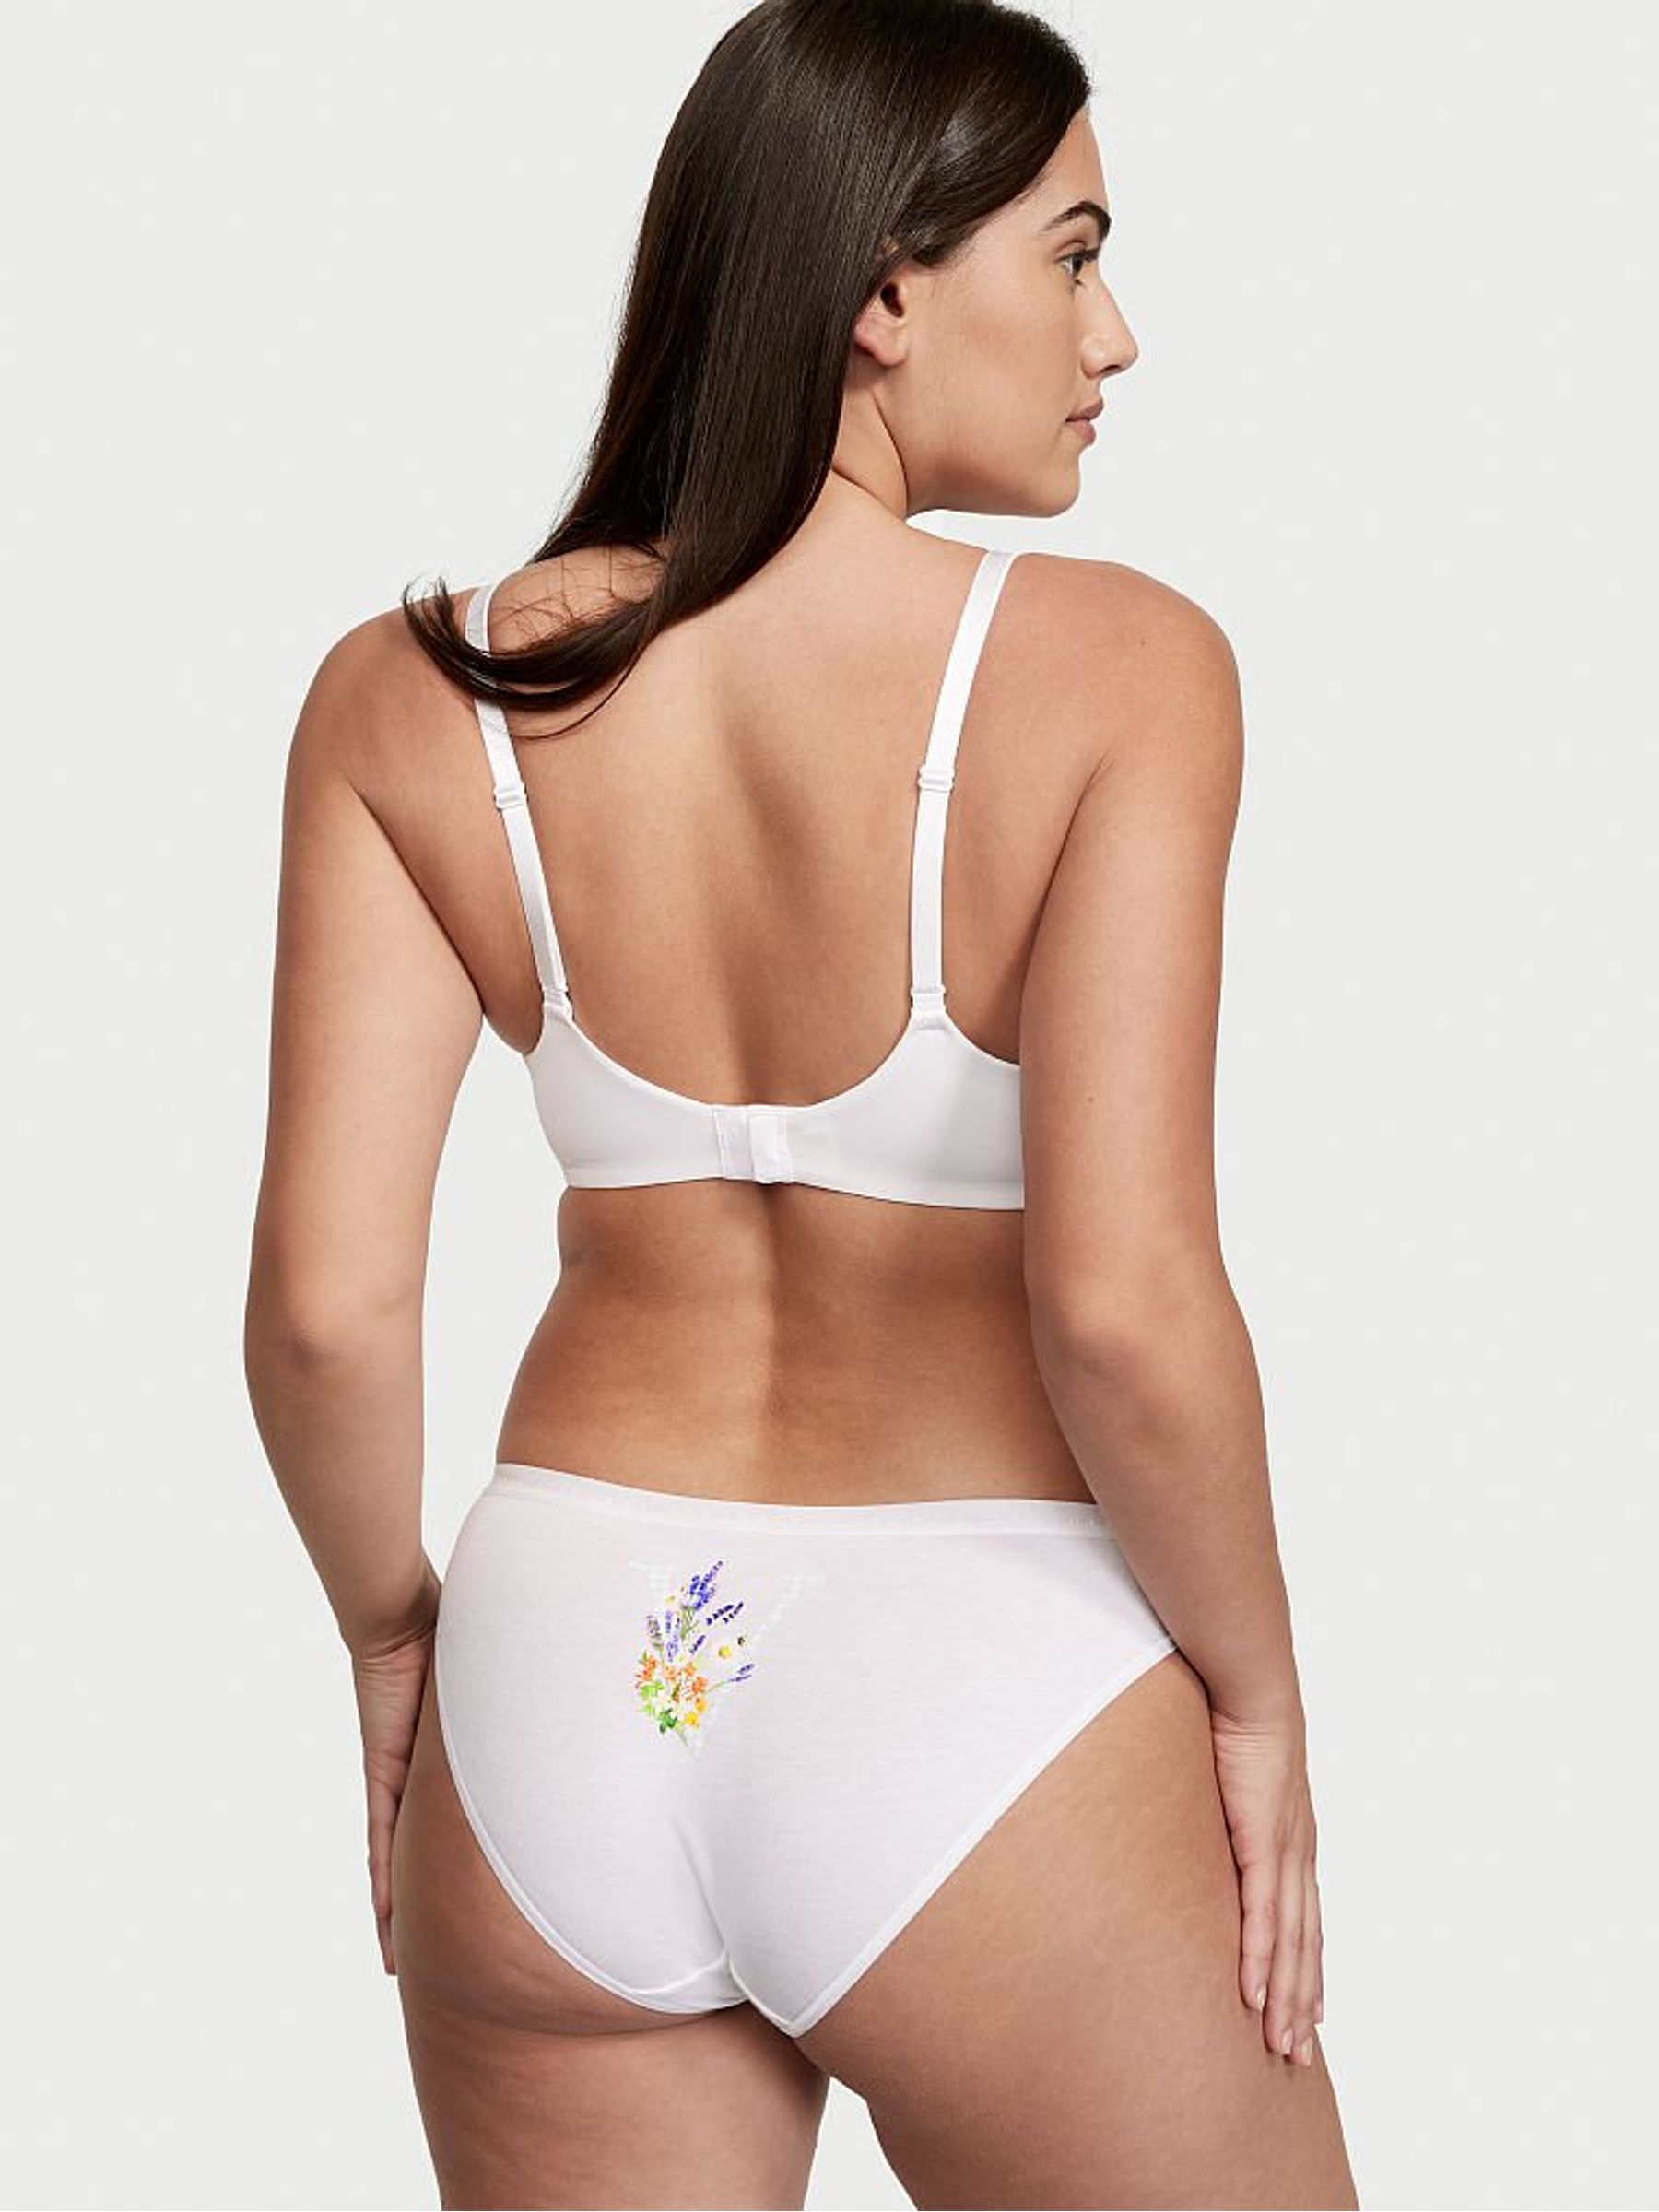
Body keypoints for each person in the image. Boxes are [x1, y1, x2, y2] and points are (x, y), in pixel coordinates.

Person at [244, 1, 1359, 2204]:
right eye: (1072, 254)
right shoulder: (1120, 667)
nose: (1114, 335)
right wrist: (1257, 1689)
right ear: (881, 291)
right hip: (981, 1683)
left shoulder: (416, 697)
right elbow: (1124, 1310)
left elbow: (324, 1317)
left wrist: (388, 1630)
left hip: (564, 1672)